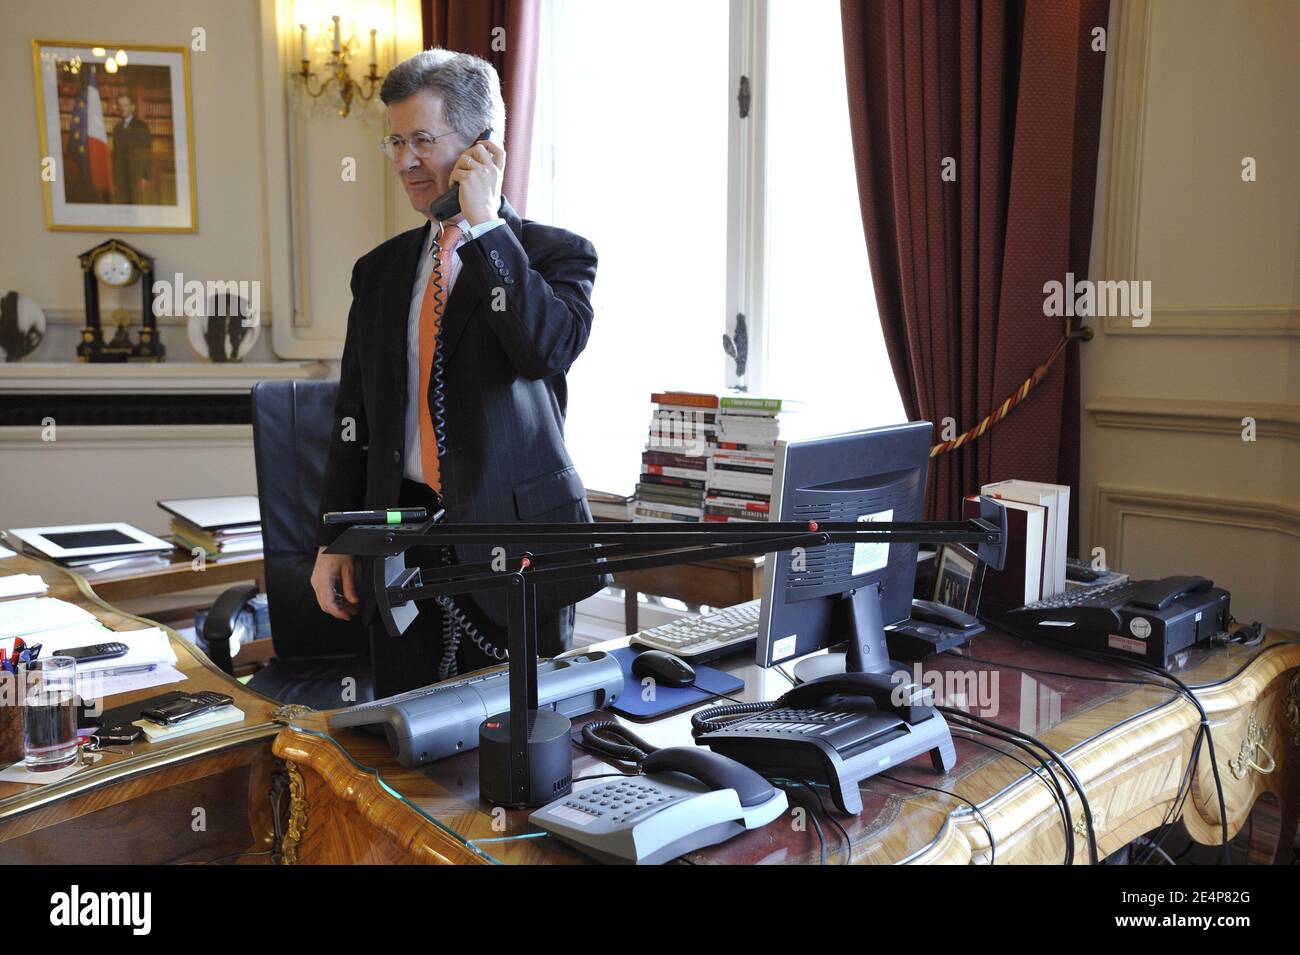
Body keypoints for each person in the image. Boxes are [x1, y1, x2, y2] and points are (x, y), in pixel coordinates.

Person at [311, 49, 605, 697]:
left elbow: (544, 350)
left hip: (516, 545)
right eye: (394, 140)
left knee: (520, 757)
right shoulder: (380, 272)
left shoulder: (556, 255)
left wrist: (486, 228)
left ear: (482, 147)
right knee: (405, 752)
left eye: (421, 139)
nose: (403, 161)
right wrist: (334, 536)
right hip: (400, 546)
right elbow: (353, 415)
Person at [110, 93, 151, 204]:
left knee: (137, 204)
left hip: (136, 174)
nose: (122, 108)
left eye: (126, 105)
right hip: (121, 176)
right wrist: (114, 179)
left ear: (132, 107)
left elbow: (147, 153)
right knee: (122, 205)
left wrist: (144, 176)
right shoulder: (117, 128)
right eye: (120, 105)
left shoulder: (141, 126)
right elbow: (115, 155)